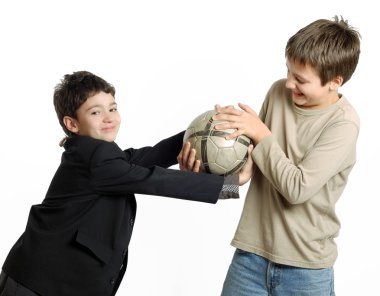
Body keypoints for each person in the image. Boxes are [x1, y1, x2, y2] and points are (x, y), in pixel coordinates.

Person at [0, 71, 254, 296]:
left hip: (50, 281)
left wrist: (204, 132)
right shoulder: (96, 159)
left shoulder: (98, 154)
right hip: (36, 284)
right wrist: (230, 184)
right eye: (95, 112)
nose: (109, 118)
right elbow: (154, 180)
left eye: (112, 108)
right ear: (72, 124)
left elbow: (148, 157)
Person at [212, 16, 360, 295]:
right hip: (250, 256)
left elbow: (297, 188)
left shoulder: (343, 124)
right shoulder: (278, 92)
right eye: (289, 72)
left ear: (334, 81)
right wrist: (217, 174)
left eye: (301, 79)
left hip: (306, 271)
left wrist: (261, 133)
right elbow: (254, 164)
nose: (290, 84)